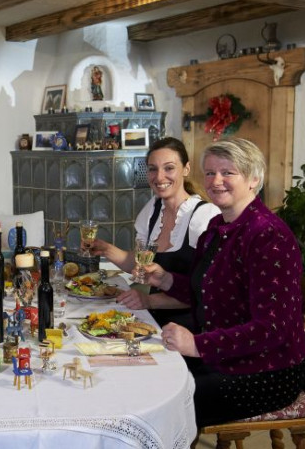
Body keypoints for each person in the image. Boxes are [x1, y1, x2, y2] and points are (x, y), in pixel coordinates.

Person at [144, 138, 305, 427]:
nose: (216, 181)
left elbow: (273, 328)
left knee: (158, 404)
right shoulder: (216, 227)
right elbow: (207, 294)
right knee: (145, 373)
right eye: (210, 173)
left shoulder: (268, 235)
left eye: (227, 172)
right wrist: (166, 279)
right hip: (225, 353)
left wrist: (197, 345)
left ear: (254, 179)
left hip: (267, 371)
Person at [90, 137, 220, 331]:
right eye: (153, 169)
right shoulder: (153, 209)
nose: (159, 177)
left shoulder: (205, 216)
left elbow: (205, 291)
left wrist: (149, 300)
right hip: (153, 322)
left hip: (189, 330)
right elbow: (141, 264)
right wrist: (105, 249)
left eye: (169, 168)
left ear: (186, 169)